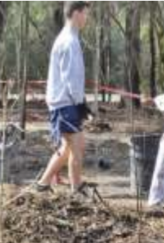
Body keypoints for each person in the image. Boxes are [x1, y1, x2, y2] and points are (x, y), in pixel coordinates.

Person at [33, 1, 91, 195]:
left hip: (65, 102)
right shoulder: (68, 41)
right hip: (64, 103)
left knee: (71, 145)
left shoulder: (70, 39)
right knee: (76, 146)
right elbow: (70, 78)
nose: (86, 18)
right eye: (85, 13)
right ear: (76, 13)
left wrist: (81, 101)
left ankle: (43, 184)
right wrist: (80, 102)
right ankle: (77, 189)